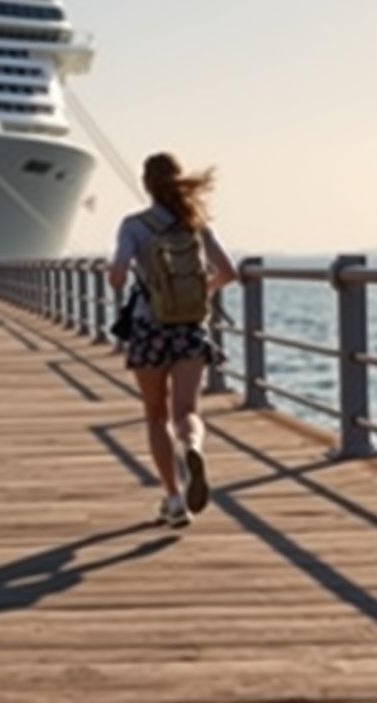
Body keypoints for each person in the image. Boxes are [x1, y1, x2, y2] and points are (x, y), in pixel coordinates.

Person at [108, 152, 238, 529]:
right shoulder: (195, 224)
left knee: (155, 413)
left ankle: (174, 497)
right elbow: (227, 271)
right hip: (189, 328)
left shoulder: (133, 225)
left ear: (146, 184)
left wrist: (121, 274)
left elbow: (117, 276)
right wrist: (199, 291)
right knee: (187, 412)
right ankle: (193, 448)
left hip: (150, 328)